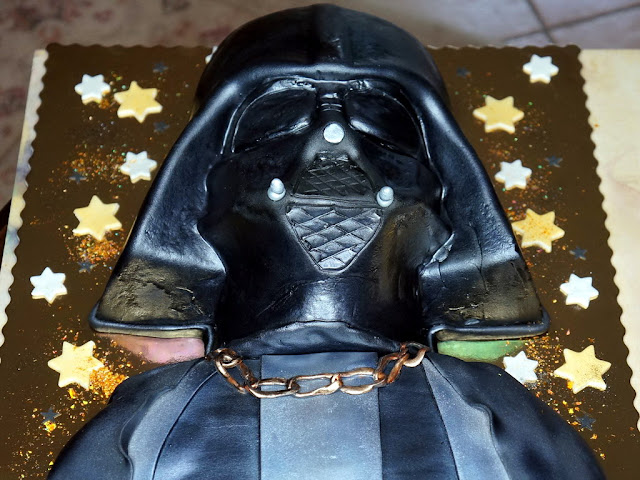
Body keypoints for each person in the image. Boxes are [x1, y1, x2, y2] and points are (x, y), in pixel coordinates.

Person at [50, 5, 603, 479]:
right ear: (198, 186)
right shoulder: (149, 413)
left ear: (447, 193)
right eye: (275, 119)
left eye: (381, 124)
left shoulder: (488, 405)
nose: (330, 135)